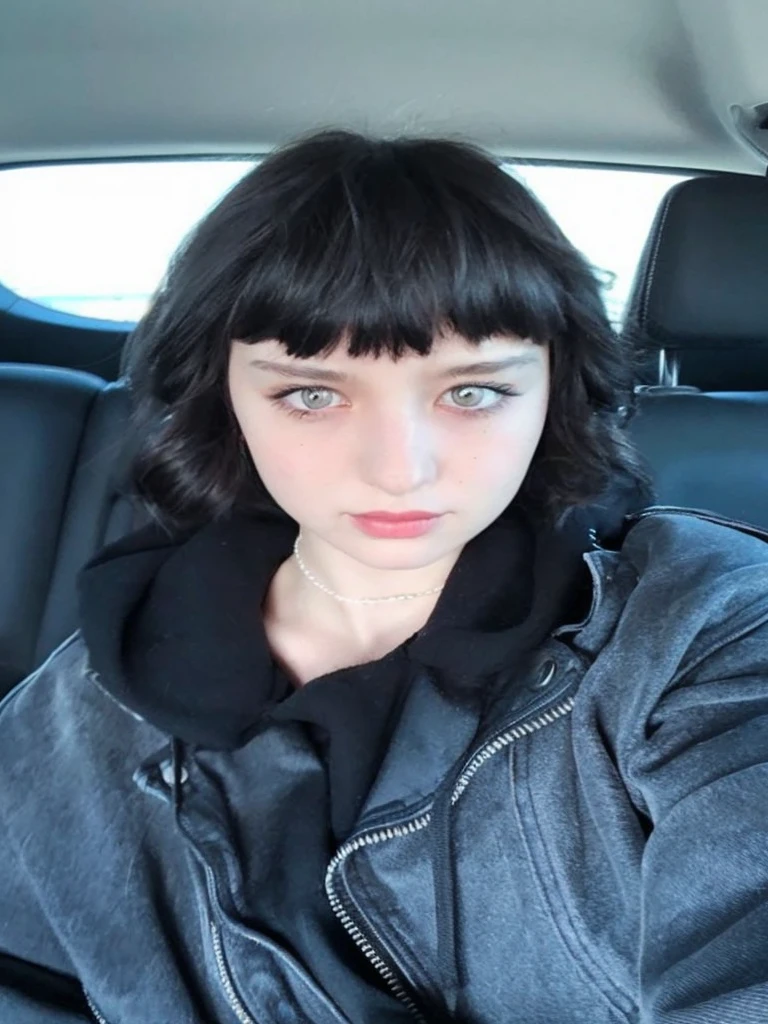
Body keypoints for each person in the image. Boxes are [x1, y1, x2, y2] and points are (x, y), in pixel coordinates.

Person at [0, 129, 767, 1024]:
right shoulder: (83, 705)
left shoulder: (706, 631)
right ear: (226, 398)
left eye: (472, 392)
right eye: (312, 394)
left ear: (554, 392)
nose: (401, 469)